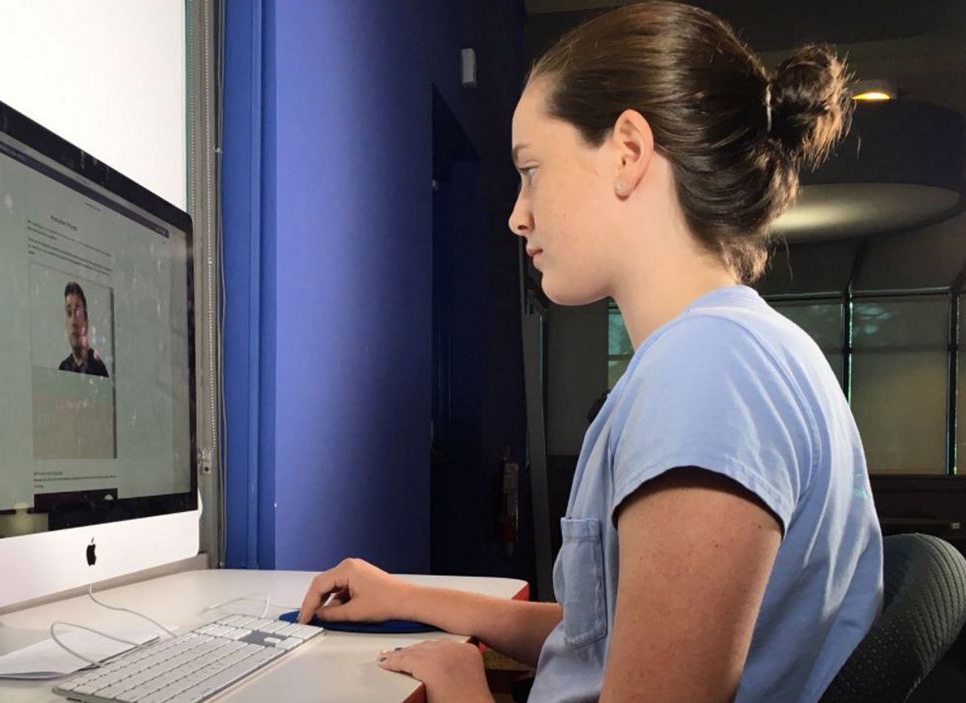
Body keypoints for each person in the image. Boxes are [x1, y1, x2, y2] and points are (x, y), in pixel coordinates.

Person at [297, 3, 882, 702]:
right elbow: (608, 642)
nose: (517, 215)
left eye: (532, 169)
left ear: (628, 152)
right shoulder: (745, 349)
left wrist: (463, 688)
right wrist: (406, 595)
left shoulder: (706, 373)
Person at [58, 281, 109, 377]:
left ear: (86, 321)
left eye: (78, 313)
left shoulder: (98, 369)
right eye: (69, 313)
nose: (73, 322)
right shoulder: (63, 368)